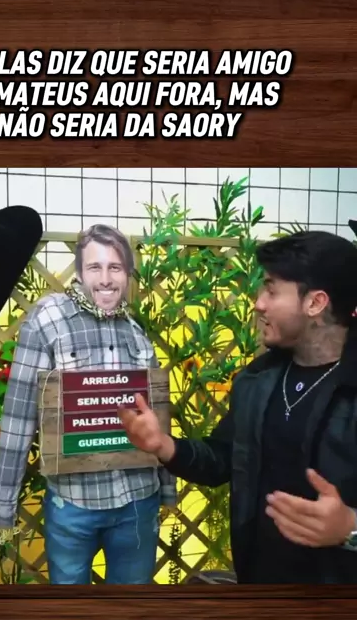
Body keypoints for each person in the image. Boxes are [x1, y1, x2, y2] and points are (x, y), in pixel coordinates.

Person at [119, 229, 357, 584]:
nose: (259, 303)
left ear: (315, 303)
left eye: (272, 290)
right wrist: (164, 446)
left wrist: (350, 528)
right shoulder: (257, 380)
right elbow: (223, 460)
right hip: (259, 583)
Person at [0, 223, 176, 584]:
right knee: (71, 614)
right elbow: (18, 416)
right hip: (73, 504)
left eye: (115, 267)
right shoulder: (48, 321)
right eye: (95, 267)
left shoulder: (137, 334)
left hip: (139, 500)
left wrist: (167, 489)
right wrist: (3, 508)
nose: (105, 279)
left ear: (127, 274)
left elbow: (157, 419)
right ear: (78, 272)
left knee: (132, 612)